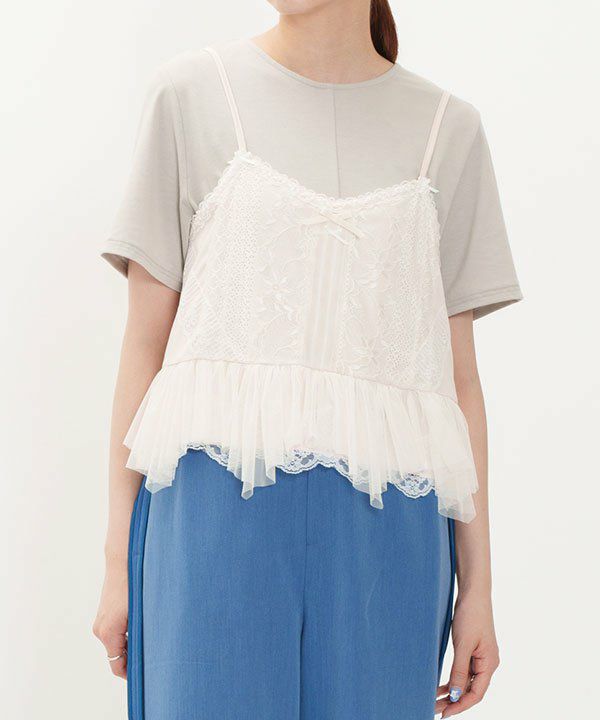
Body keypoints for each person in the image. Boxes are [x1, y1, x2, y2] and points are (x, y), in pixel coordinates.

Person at [93, 1, 522, 718]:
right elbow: (143, 346)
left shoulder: (449, 129)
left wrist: (478, 588)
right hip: (211, 513)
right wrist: (117, 564)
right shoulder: (190, 95)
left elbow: (460, 382)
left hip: (391, 526)